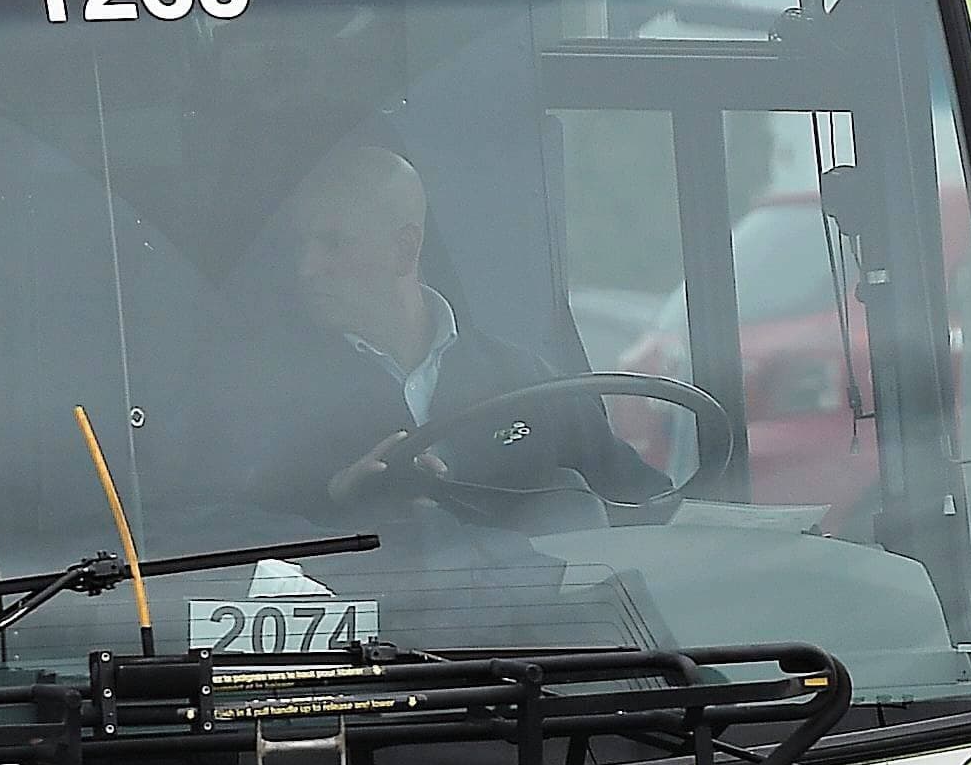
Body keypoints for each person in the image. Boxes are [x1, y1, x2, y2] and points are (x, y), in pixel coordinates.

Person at [250, 142, 673, 519]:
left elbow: (649, 506)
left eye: (333, 243)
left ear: (405, 249)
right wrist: (336, 499)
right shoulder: (266, 397)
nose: (306, 269)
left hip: (533, 606)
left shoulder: (523, 380)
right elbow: (216, 534)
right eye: (301, 245)